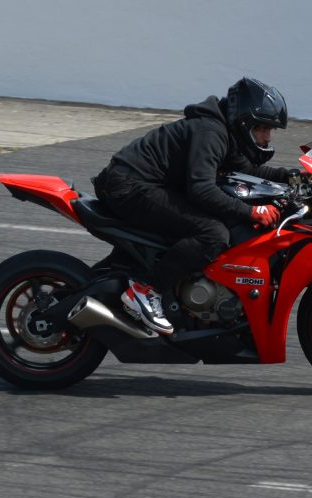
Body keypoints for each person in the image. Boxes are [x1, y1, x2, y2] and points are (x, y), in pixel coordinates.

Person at [93, 77, 294, 335]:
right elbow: (201, 189)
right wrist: (251, 211)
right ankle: (146, 289)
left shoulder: (224, 132)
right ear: (245, 121)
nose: (267, 137)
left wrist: (292, 177)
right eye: (263, 128)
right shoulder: (211, 132)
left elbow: (248, 169)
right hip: (129, 186)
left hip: (143, 185)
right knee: (212, 233)